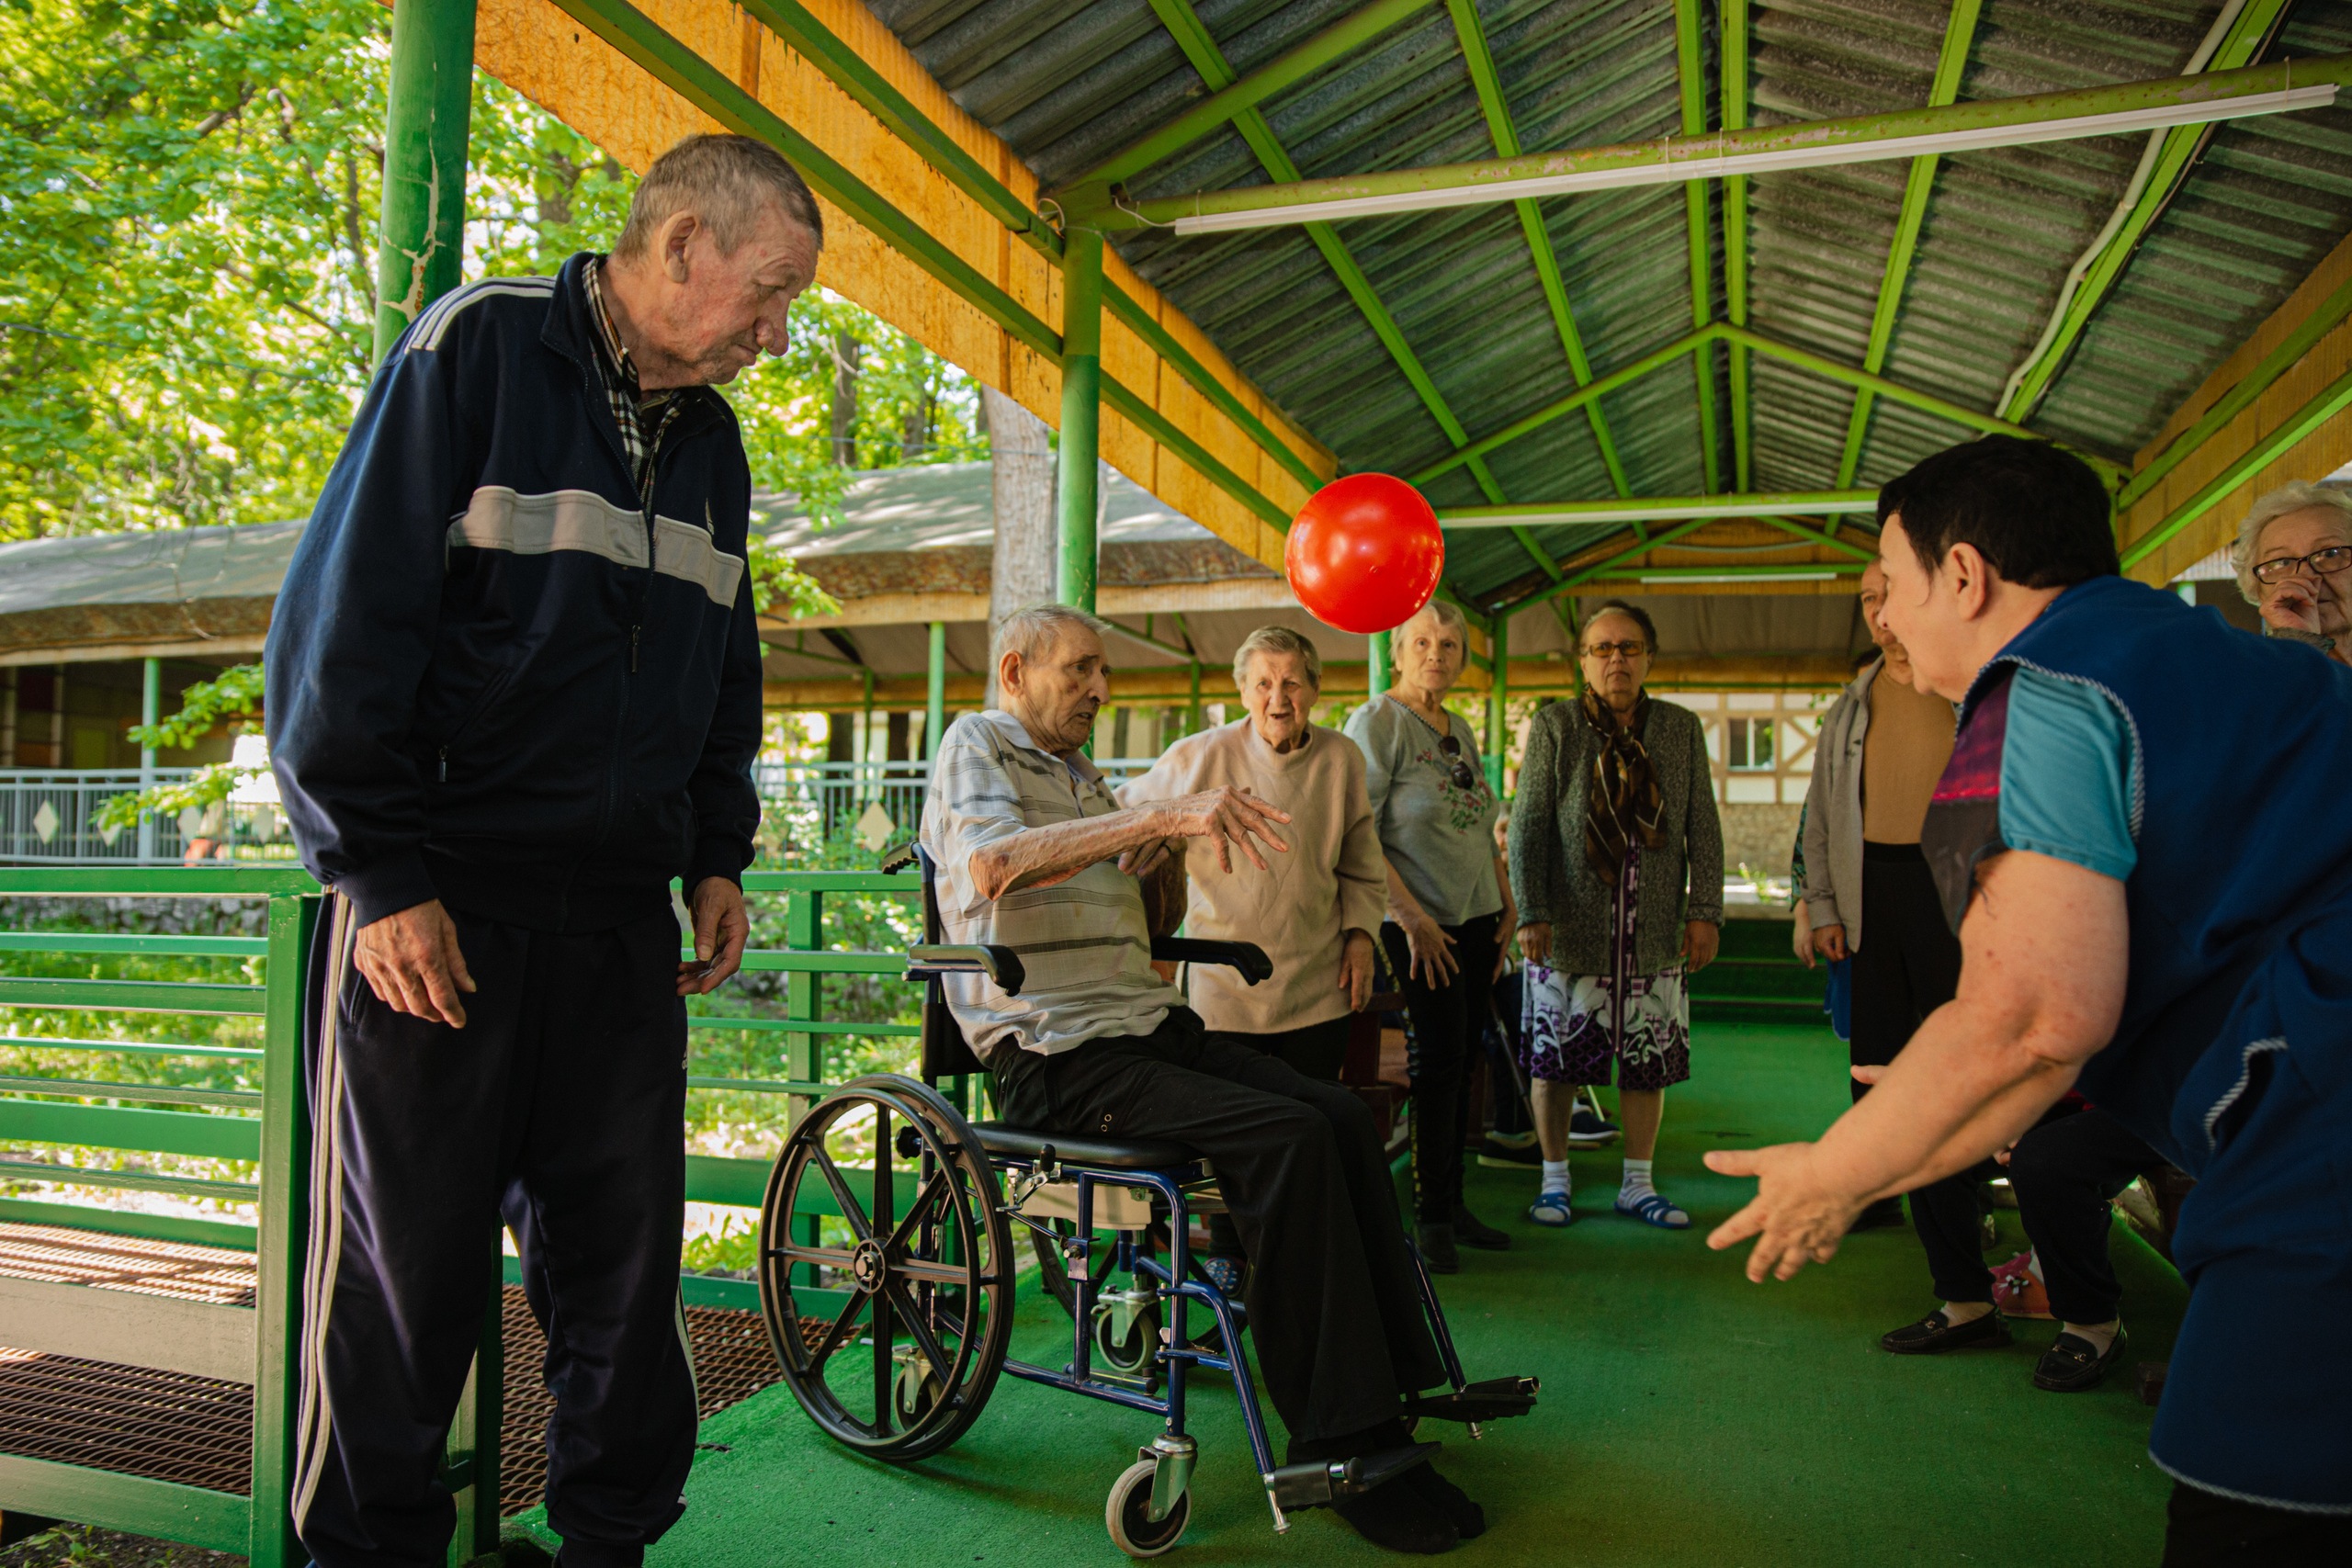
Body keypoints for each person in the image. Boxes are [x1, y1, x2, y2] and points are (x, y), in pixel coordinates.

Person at [266, 134, 815, 1568]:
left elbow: (722, 662)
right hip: (437, 909)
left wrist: (715, 850)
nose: (773, 334)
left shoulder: (715, 442)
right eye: (765, 295)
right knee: (404, 1288)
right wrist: (380, 875)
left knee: (625, 1280)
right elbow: (343, 624)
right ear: (682, 240)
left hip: (619, 919)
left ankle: (606, 1545)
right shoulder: (477, 352)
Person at [1706, 434, 2352, 1565]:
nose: (1890, 619)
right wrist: (1921, 1110)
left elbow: (2036, 1018)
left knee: (2250, 1509)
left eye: (1894, 588)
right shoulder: (2238, 661)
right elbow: (2035, 1051)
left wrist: (1833, 1174)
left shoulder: (2049, 684)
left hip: (2321, 1140)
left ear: (1963, 577)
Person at [924, 604, 1483, 1555]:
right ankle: (1336, 1438)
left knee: (1342, 1118)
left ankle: (1390, 1390)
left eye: (1103, 673)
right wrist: (1154, 816)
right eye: (1081, 673)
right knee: (1290, 1141)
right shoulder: (977, 742)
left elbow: (1141, 902)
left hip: (1144, 1026)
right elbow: (989, 865)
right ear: (1015, 671)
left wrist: (1161, 857)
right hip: (1058, 1053)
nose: (1101, 691)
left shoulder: (1080, 774)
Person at [1115, 626, 1389, 1291]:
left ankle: (1296, 1265)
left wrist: (1361, 935)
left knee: (1314, 1130)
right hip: (1223, 988)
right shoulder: (1199, 756)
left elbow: (1361, 864)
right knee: (1237, 1143)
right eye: (1263, 682)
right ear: (1242, 690)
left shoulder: (1343, 760)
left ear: (1316, 690)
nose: (1278, 697)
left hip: (1316, 982)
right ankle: (1232, 1259)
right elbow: (1121, 815)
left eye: (1292, 681)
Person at [1800, 560, 2009, 1301]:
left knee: (1956, 1059)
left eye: (1892, 596)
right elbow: (1822, 814)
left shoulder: (1971, 688)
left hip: (1949, 891)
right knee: (1875, 1058)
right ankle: (1886, 1188)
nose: (1881, 613)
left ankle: (1972, 1200)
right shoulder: (1850, 707)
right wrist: (1820, 904)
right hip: (1870, 892)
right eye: (1868, 600)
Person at [1508, 602, 1723, 1229]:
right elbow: (1527, 829)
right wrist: (1533, 910)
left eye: (1629, 647)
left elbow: (1701, 825)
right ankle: (1554, 1181)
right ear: (1583, 660)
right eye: (1601, 648)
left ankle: (1637, 1182)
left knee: (1645, 1056)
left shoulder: (1680, 730)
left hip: (1652, 929)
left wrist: (1704, 909)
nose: (1616, 660)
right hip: (1568, 928)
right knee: (1556, 1058)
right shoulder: (1555, 726)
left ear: (1650, 657)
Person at [1345, 601, 1518, 1271]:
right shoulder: (1378, 721)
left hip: (1475, 916)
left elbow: (1481, 822)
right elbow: (1360, 830)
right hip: (1421, 925)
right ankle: (1430, 1215)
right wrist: (1410, 915)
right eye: (1422, 642)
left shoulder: (1459, 725)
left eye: (1450, 643)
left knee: (1465, 1059)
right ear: (1397, 652)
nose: (1436, 654)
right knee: (1438, 1063)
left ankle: (1454, 1200)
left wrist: (1503, 902)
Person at [1995, 1101, 2165, 1392]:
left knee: (2042, 1158)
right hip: (2089, 1094)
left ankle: (2091, 1322)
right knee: (1943, 1130)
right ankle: (1966, 1305)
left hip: (2163, 1099)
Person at [2233, 479, 2352, 666]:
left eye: (2329, 554)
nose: (2306, 575)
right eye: (2282, 562)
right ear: (2259, 592)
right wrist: (2300, 645)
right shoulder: (2252, 680)